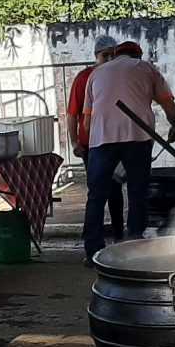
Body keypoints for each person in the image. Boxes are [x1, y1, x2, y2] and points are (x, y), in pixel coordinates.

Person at [82, 40, 175, 264]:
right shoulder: (146, 68)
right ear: (138, 56)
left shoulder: (96, 74)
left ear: (115, 55)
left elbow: (87, 124)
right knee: (138, 193)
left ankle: (92, 252)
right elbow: (171, 110)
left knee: (96, 196)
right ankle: (134, 246)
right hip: (138, 136)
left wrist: (100, 139)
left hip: (101, 140)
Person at [67, 34, 125, 242]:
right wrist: (74, 141)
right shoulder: (84, 78)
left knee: (115, 189)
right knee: (96, 191)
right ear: (96, 56)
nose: (109, 59)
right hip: (90, 143)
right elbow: (72, 113)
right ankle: (92, 240)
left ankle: (119, 235)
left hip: (115, 139)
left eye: (113, 55)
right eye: (105, 55)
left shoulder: (120, 76)